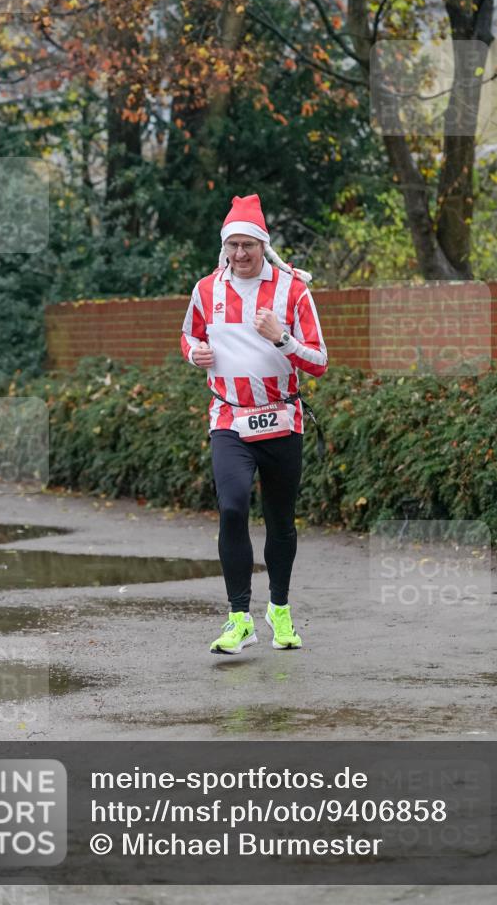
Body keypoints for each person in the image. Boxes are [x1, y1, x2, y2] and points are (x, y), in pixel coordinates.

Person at [181, 194, 328, 656]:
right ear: (224, 247)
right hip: (229, 417)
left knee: (281, 522)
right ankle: (239, 617)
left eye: (249, 245)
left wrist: (281, 339)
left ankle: (278, 610)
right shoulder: (206, 289)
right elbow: (189, 334)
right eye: (234, 245)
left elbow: (319, 360)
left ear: (263, 246)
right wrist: (194, 354)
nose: (241, 254)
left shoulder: (292, 290)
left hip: (283, 419)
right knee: (232, 506)